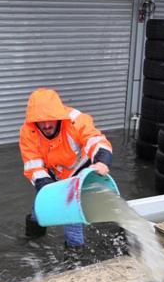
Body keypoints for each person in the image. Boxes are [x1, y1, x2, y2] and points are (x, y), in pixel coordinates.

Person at [19, 88, 113, 248]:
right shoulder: (28, 132)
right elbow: (33, 166)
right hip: (52, 176)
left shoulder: (76, 121)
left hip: (80, 174)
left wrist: (102, 161)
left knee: (72, 223)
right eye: (41, 120)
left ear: (59, 116)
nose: (47, 125)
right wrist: (51, 192)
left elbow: (95, 141)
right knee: (38, 211)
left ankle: (74, 260)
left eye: (51, 119)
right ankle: (32, 243)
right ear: (33, 120)